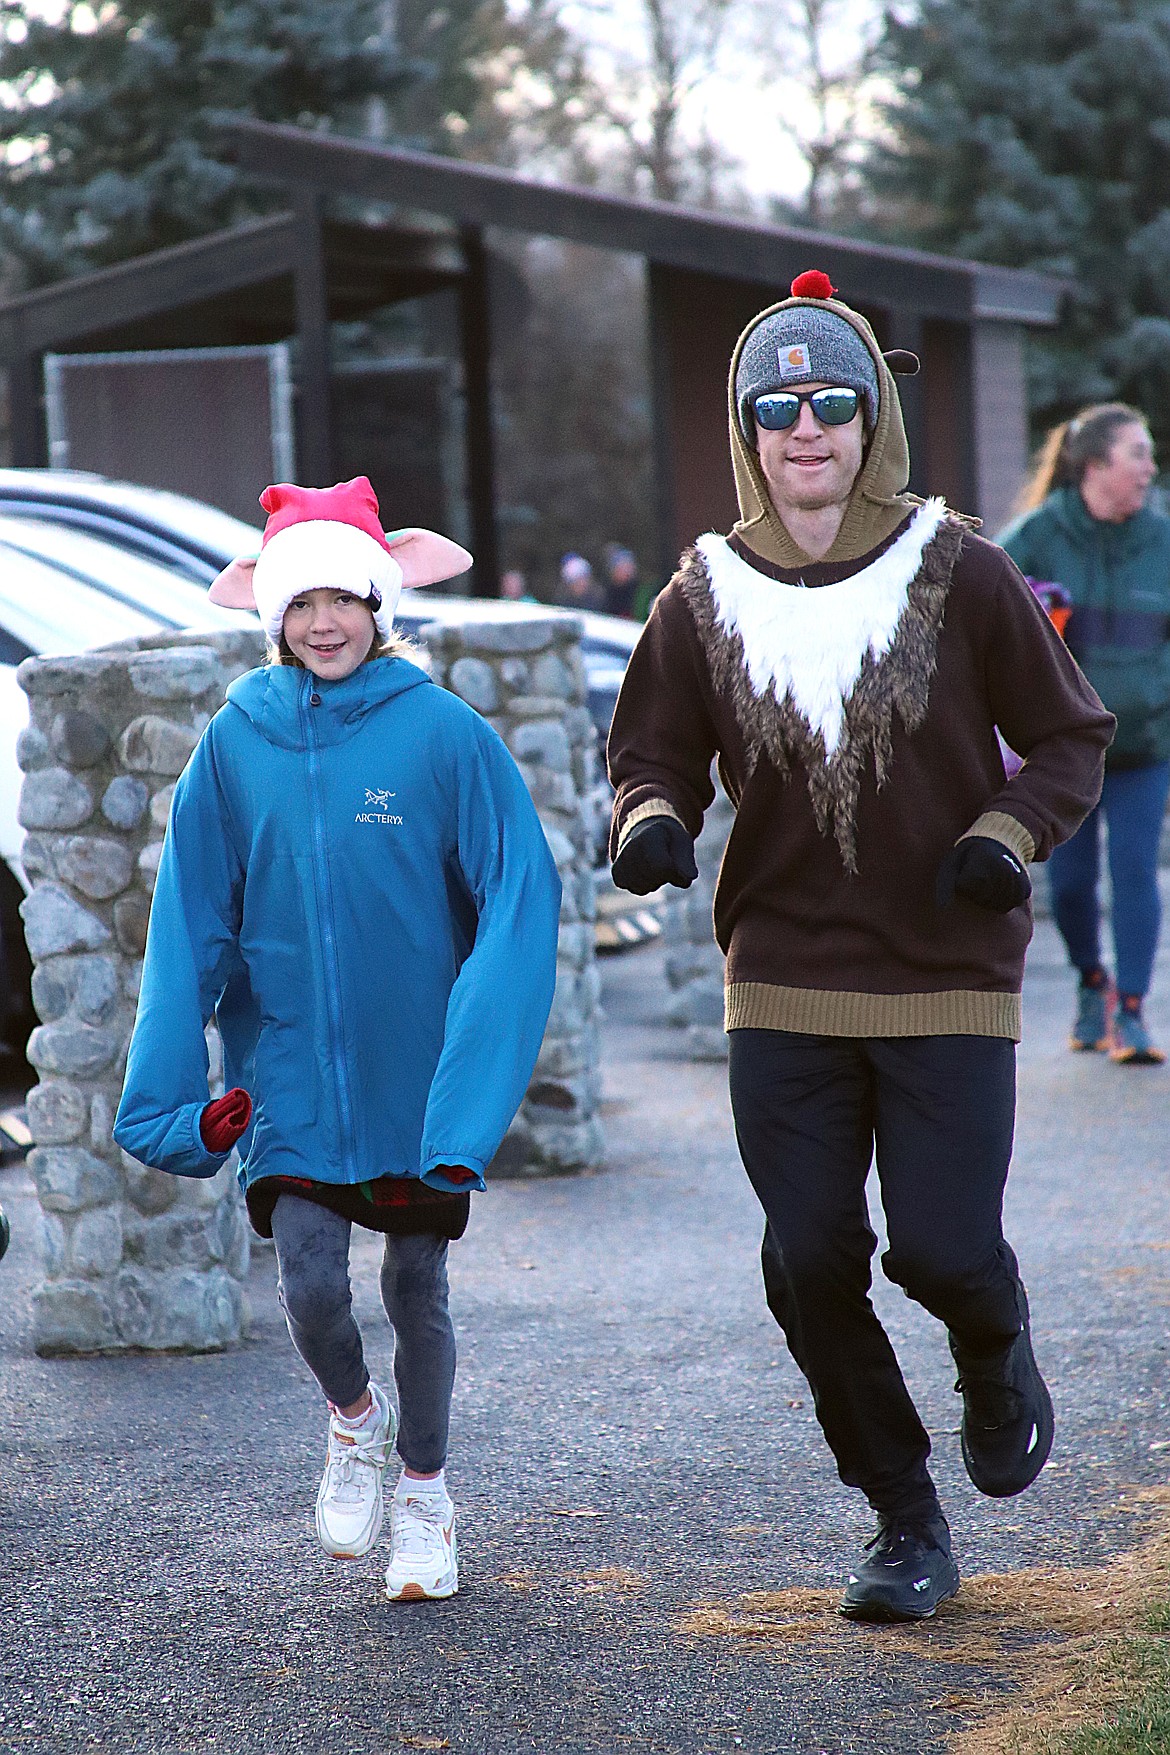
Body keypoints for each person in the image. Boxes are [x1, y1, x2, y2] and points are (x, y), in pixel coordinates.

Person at [607, 270, 1114, 1623]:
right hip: (780, 978)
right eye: (775, 407)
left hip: (945, 969)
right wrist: (650, 819)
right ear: (746, 429)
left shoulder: (960, 567)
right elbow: (648, 749)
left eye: (832, 400)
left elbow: (1071, 735)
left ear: (870, 413)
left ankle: (994, 1339)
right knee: (806, 1257)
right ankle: (901, 1511)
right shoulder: (701, 591)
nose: (805, 428)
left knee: (942, 1249)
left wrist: (1008, 830)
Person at [114, 476, 561, 1602]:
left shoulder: (443, 732)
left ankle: (425, 1494)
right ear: (272, 615)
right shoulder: (233, 744)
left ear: (379, 607)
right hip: (294, 1077)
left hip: (417, 1084)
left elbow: (518, 898)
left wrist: (473, 1085)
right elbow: (189, 925)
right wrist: (177, 1097)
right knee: (311, 1285)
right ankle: (353, 1422)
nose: (325, 622)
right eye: (302, 602)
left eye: (345, 601)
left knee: (418, 1288)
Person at [999, 405, 1170, 1064]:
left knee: (1134, 872)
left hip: (1142, 747)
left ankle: (1131, 1010)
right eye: (1137, 453)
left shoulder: (1160, 541)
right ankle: (1090, 982)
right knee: (1069, 886)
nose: (1149, 468)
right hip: (1063, 750)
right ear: (1095, 465)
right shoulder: (1040, 535)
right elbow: (981, 609)